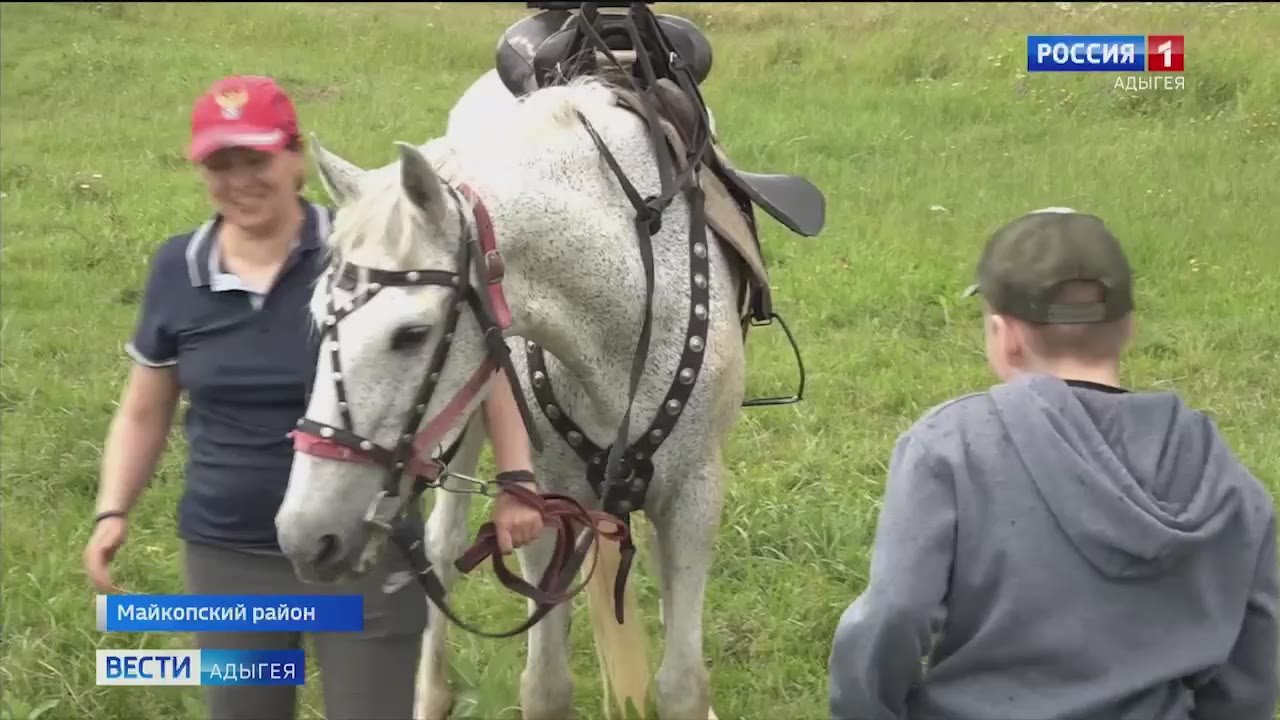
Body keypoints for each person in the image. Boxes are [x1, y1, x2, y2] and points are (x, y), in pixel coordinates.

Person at [81, 74, 545, 720]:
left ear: (295, 159)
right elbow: (143, 408)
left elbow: (479, 355)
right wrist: (112, 512)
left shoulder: (370, 250)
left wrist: (518, 478)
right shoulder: (176, 269)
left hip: (370, 546)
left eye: (256, 159)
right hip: (227, 558)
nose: (239, 179)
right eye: (221, 163)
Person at [827, 208, 1279, 720]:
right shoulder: (1217, 468)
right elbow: (1255, 641)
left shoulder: (949, 447)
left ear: (1006, 336)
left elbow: (896, 612)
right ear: (1129, 327)